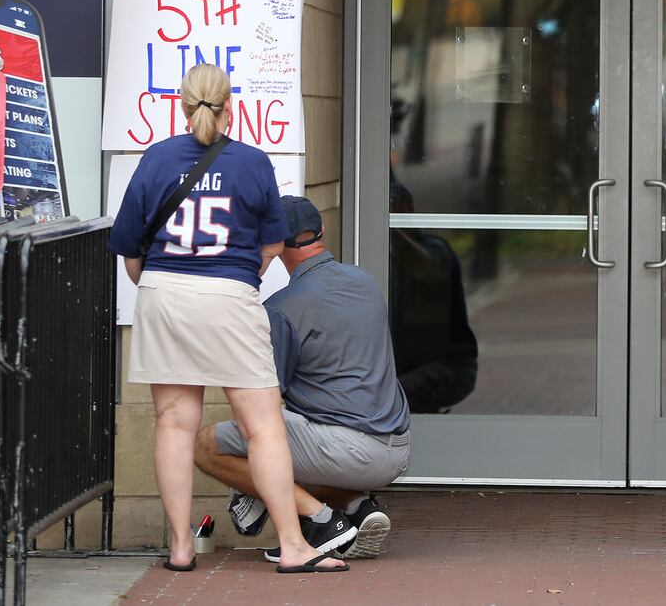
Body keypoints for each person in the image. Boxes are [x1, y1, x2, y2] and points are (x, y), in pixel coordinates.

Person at [110, 65, 348, 575]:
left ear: (181, 105)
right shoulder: (253, 162)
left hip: (163, 295)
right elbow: (273, 245)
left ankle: (179, 547)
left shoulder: (156, 159)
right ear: (229, 106)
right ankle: (292, 546)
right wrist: (240, 276)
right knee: (262, 428)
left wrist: (160, 285)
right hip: (230, 296)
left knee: (174, 423)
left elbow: (130, 250)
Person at [196, 195, 412, 562]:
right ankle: (355, 505)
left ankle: (321, 521)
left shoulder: (281, 309)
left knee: (207, 445)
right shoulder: (364, 281)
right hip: (397, 448)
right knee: (278, 445)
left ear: (274, 241)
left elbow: (262, 400)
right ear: (322, 231)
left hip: (346, 449)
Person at [389, 181, 479, 413]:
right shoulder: (382, 257)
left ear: (407, 211)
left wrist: (390, 229)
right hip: (402, 372)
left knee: (385, 395)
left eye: (393, 212)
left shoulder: (437, 251)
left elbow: (426, 267)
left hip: (446, 368)